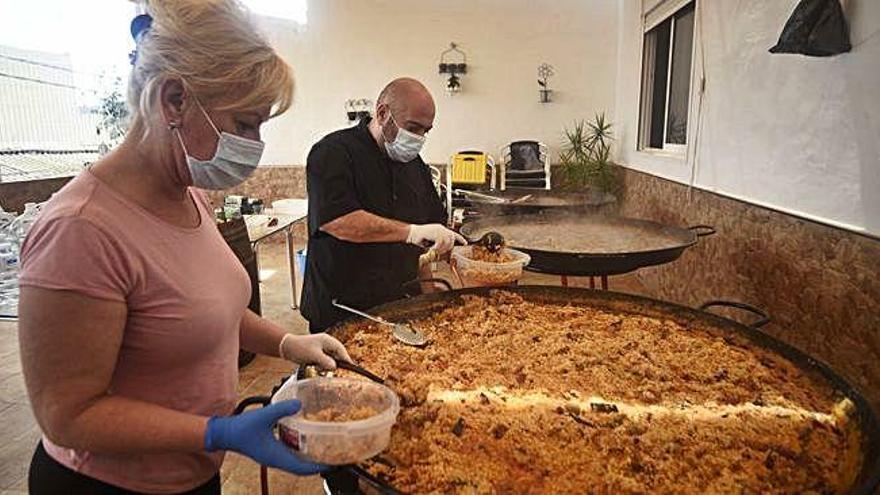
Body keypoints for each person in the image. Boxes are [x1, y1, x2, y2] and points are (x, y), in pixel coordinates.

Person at [17, 2, 351, 494]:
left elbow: (202, 308)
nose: (254, 144)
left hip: (190, 473)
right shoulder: (80, 229)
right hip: (111, 485)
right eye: (244, 124)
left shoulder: (188, 193)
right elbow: (67, 415)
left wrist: (286, 343)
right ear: (174, 99)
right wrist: (215, 432)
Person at [302, 78, 465, 333]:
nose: (419, 137)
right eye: (413, 127)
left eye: (426, 130)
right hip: (343, 309)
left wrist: (429, 302)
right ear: (382, 113)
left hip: (399, 306)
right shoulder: (333, 153)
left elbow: (426, 244)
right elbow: (339, 221)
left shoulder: (414, 164)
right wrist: (411, 232)